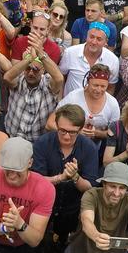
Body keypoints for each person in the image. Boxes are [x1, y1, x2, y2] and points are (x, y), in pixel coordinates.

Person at [33, 104, 99, 249]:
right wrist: (61, 177)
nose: (67, 136)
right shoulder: (43, 143)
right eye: (62, 131)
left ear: (81, 129)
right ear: (56, 125)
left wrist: (75, 177)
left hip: (72, 210)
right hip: (42, 207)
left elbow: (90, 188)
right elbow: (35, 181)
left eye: (72, 132)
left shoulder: (89, 148)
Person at [0, 137, 55, 252]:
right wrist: (5, 227)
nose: (11, 175)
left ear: (30, 163)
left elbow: (34, 240)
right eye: (7, 169)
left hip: (24, 245)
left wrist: (20, 224)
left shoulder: (45, 189)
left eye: (17, 170)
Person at [66, 162, 128, 253]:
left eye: (122, 188)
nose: (116, 193)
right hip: (82, 249)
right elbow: (86, 220)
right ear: (104, 184)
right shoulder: (91, 195)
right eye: (113, 186)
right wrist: (96, 236)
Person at [3, 32, 64, 142]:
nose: (31, 73)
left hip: (39, 142)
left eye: (35, 70)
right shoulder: (19, 79)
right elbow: (7, 77)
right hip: (13, 137)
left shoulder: (48, 83)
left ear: (43, 70)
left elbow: (59, 78)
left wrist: (41, 54)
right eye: (28, 68)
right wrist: (28, 60)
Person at [59, 23, 119, 96]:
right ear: (86, 37)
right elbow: (61, 77)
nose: (94, 42)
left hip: (96, 104)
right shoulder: (70, 52)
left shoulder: (113, 60)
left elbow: (111, 87)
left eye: (99, 39)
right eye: (91, 37)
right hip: (70, 104)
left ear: (106, 42)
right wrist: (61, 100)